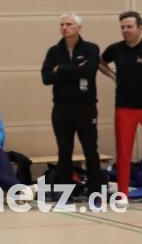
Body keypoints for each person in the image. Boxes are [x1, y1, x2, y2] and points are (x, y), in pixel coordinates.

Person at [41, 13, 104, 199]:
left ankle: (95, 192)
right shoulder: (54, 51)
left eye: (69, 24)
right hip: (61, 109)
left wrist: (60, 69)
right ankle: (64, 193)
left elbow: (89, 71)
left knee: (90, 150)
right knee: (64, 151)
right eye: (62, 24)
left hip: (85, 108)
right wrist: (76, 70)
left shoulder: (91, 48)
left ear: (78, 27)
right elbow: (46, 77)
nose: (64, 27)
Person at [100, 11, 142, 199]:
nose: (125, 30)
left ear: (140, 28)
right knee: (123, 152)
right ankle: (122, 194)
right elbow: (100, 62)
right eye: (123, 27)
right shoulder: (115, 49)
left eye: (129, 27)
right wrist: (113, 76)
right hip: (124, 108)